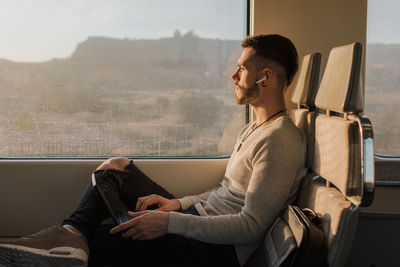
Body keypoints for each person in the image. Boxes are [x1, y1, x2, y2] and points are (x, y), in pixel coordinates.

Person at [0, 34, 306, 267]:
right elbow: (225, 193)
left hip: (214, 250)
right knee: (114, 168)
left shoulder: (281, 140)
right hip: (196, 218)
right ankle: (70, 233)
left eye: (241, 68)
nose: (233, 76)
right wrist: (176, 205)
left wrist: (170, 223)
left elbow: (250, 227)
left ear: (265, 77)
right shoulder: (254, 128)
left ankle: (68, 242)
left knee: (98, 242)